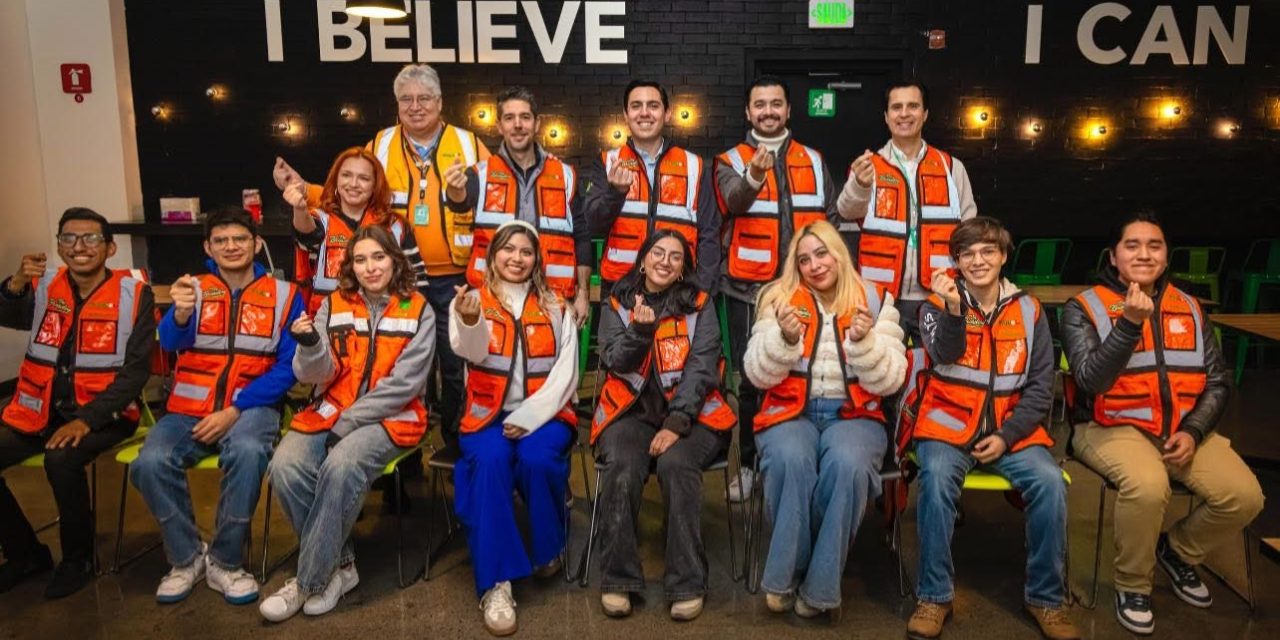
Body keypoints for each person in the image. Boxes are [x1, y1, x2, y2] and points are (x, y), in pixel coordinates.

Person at [1062, 211, 1263, 636]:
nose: (1143, 253)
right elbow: (1089, 380)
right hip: (1109, 426)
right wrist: (1129, 325)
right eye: (1131, 245)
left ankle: (1177, 552)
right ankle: (1133, 584)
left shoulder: (1189, 307)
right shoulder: (1084, 307)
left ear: (1166, 256)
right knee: (1150, 486)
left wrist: (1194, 431)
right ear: (1114, 257)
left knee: (1244, 496)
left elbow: (1218, 380)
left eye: (1154, 245)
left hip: (1182, 429)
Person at [274, 63, 489, 447]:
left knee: (456, 365)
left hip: (456, 278)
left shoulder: (470, 144)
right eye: (406, 99)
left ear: (440, 102)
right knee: (398, 366)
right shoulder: (382, 144)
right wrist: (303, 189)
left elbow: (493, 204)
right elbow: (348, 190)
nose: (416, 106)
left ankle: (457, 446)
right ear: (396, 105)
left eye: (424, 98)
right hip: (395, 284)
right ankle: (404, 454)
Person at [907, 217, 1077, 640]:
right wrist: (952, 311)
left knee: (1049, 481)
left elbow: (1041, 387)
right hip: (946, 426)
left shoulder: (1030, 309)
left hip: (1011, 431)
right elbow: (945, 352)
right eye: (967, 253)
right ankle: (934, 595)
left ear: (1003, 256)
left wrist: (1007, 435)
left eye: (987, 251)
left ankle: (1045, 599)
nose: (978, 260)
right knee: (937, 477)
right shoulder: (934, 303)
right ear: (957, 261)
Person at [259, 225, 435, 622]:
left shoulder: (418, 307)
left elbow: (406, 384)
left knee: (341, 466)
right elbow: (315, 374)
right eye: (360, 259)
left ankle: (308, 583)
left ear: (394, 260)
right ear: (350, 266)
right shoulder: (332, 304)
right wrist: (310, 346)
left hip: (393, 416)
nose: (370, 267)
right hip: (332, 407)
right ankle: (341, 565)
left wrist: (351, 421)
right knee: (285, 466)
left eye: (378, 257)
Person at [130, 207, 303, 605]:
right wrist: (181, 312)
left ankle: (225, 563)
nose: (231, 247)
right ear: (208, 246)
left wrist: (236, 409)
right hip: (189, 408)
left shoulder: (285, 295)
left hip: (252, 407)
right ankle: (187, 557)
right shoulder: (192, 288)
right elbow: (170, 344)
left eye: (240, 239)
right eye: (221, 240)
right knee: (150, 462)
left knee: (245, 451)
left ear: (256, 244)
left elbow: (290, 367)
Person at [742, 220, 905, 617]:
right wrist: (784, 339)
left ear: (838, 253)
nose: (814, 265)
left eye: (822, 253)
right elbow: (755, 374)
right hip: (790, 411)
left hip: (855, 416)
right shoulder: (778, 298)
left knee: (847, 465)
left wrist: (865, 343)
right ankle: (787, 576)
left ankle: (819, 588)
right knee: (789, 461)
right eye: (804, 259)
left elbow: (891, 381)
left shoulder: (875, 299)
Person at [0, 207, 155, 598]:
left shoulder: (134, 293)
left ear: (109, 247)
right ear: (58, 246)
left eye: (90, 238)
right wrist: (15, 282)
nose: (79, 246)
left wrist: (86, 420)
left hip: (107, 414)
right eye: (69, 238)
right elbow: (9, 314)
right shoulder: (43, 286)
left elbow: (136, 373)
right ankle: (25, 554)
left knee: (62, 458)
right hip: (40, 411)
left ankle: (77, 559)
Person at [590, 230, 735, 621]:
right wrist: (639, 331)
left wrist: (677, 421)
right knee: (621, 464)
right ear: (642, 259)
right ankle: (618, 580)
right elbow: (615, 360)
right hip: (631, 414)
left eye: (675, 257)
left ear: (684, 268)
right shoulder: (617, 303)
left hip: (694, 414)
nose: (665, 261)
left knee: (675, 464)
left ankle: (687, 583)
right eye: (658, 253)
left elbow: (703, 367)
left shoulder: (700, 306)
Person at [449, 221, 579, 636]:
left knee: (538, 458)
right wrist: (470, 322)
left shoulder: (558, 306)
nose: (517, 258)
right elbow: (469, 351)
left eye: (526, 251)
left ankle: (547, 547)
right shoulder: (471, 302)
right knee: (489, 463)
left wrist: (529, 418)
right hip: (486, 416)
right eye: (508, 250)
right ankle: (496, 582)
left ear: (536, 259)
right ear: (492, 256)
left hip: (546, 415)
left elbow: (567, 374)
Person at [715, 75, 841, 503]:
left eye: (776, 104)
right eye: (759, 105)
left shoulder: (813, 158)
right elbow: (733, 202)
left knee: (809, 373)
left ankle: (799, 456)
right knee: (753, 380)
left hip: (809, 291)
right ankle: (750, 464)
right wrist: (753, 175)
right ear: (748, 112)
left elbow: (832, 221)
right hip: (747, 290)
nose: (768, 111)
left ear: (788, 110)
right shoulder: (730, 159)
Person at [836, 80, 977, 341]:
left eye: (913, 106)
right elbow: (845, 211)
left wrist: (967, 286)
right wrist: (860, 184)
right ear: (886, 117)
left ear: (924, 114)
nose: (904, 113)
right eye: (896, 107)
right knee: (882, 372)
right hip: (883, 296)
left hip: (939, 292)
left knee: (941, 367)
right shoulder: (869, 167)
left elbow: (970, 230)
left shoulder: (951, 167)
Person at [445, 86, 592, 328]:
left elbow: (582, 236)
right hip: (492, 297)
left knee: (556, 366)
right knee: (495, 365)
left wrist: (583, 293)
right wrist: (454, 189)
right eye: (509, 118)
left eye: (525, 117)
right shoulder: (480, 175)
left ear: (537, 124)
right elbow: (458, 203)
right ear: (499, 126)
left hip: (553, 298)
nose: (518, 125)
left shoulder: (565, 175)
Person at [580, 80, 720, 294]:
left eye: (653, 106)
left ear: (667, 114)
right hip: (620, 289)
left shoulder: (694, 165)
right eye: (636, 106)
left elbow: (709, 233)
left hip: (679, 290)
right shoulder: (608, 161)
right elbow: (593, 225)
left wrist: (702, 287)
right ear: (625, 115)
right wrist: (614, 194)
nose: (644, 113)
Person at [285, 146, 427, 313]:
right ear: (336, 179)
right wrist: (300, 209)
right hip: (328, 325)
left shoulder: (396, 226)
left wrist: (403, 316)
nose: (353, 184)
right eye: (346, 175)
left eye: (364, 178)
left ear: (375, 184)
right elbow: (307, 235)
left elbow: (416, 283)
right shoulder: (320, 220)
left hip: (383, 327)